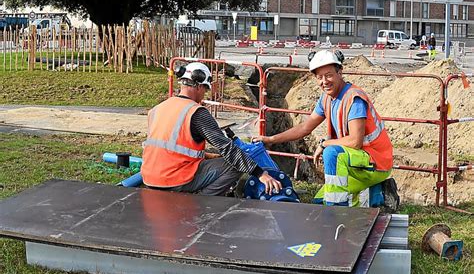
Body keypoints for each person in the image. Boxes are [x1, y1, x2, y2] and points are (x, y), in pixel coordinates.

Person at [253, 50, 398, 209]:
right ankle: (381, 193)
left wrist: (324, 144)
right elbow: (304, 127)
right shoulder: (327, 98)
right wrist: (270, 139)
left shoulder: (353, 98)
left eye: (328, 75)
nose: (324, 81)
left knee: (332, 154)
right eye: (319, 77)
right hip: (357, 163)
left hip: (375, 162)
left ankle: (336, 211)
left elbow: (355, 141)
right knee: (319, 201)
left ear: (339, 72)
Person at [141, 62, 282, 196]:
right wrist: (260, 173)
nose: (204, 95)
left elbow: (170, 148)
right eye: (205, 89)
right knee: (236, 164)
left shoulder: (158, 108)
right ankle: (202, 200)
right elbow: (227, 148)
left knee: (226, 159)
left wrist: (209, 156)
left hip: (149, 178)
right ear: (198, 86)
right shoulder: (196, 112)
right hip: (174, 180)